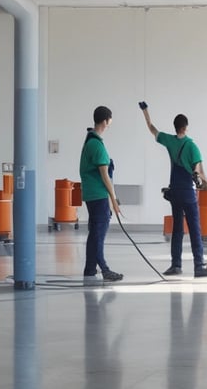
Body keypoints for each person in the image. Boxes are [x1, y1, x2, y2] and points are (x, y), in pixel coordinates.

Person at [140, 102, 207, 277]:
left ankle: (176, 265)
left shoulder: (169, 141)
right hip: (188, 193)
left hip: (174, 191)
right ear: (186, 127)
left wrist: (145, 111)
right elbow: (199, 172)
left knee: (177, 229)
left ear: (175, 128)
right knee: (195, 228)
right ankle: (199, 266)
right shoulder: (191, 146)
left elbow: (152, 128)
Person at [79, 105, 124, 284]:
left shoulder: (91, 141)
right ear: (105, 121)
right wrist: (114, 200)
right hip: (97, 195)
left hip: (92, 194)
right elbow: (105, 175)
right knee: (98, 233)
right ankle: (104, 269)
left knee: (95, 232)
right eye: (110, 120)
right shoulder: (96, 145)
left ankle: (90, 269)